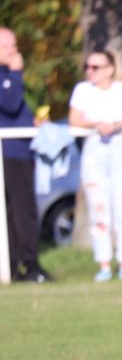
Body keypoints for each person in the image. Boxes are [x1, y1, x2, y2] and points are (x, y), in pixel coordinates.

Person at [68, 50, 122, 282]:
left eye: (96, 67)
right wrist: (95, 124)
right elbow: (74, 119)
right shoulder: (82, 91)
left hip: (120, 151)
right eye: (87, 66)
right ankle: (104, 264)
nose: (90, 71)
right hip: (94, 152)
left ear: (110, 69)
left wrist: (115, 124)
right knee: (99, 210)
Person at [0, 27, 51, 282]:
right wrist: (16, 72)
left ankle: (18, 265)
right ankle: (26, 266)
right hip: (8, 154)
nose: (14, 51)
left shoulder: (10, 76)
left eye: (14, 45)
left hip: (21, 151)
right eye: (8, 46)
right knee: (18, 212)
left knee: (17, 212)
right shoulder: (9, 76)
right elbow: (9, 103)